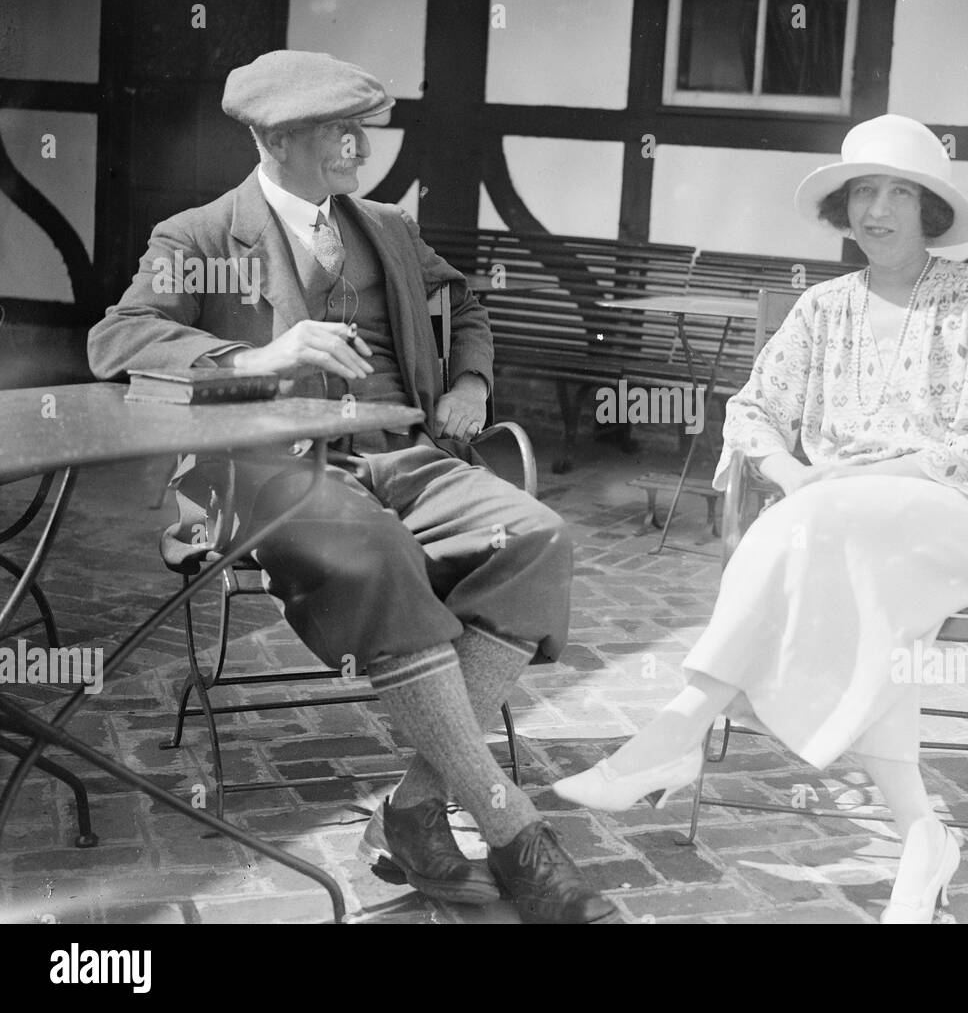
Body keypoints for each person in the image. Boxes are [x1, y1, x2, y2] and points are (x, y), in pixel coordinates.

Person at [87, 50, 615, 925]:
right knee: (375, 553)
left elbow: (466, 303)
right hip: (268, 472)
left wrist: (471, 384)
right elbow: (117, 339)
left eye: (358, 127)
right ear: (273, 138)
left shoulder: (385, 227)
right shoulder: (201, 237)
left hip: (402, 454)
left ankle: (411, 811)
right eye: (335, 130)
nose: (356, 146)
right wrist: (258, 358)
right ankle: (514, 828)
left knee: (535, 538)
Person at [553, 114, 968, 924]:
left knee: (817, 528)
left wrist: (850, 482)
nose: (876, 211)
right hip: (844, 533)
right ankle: (923, 838)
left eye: (898, 194)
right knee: (832, 551)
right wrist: (796, 475)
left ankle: (677, 732)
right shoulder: (822, 308)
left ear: (930, 210)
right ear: (843, 210)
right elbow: (750, 415)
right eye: (862, 194)